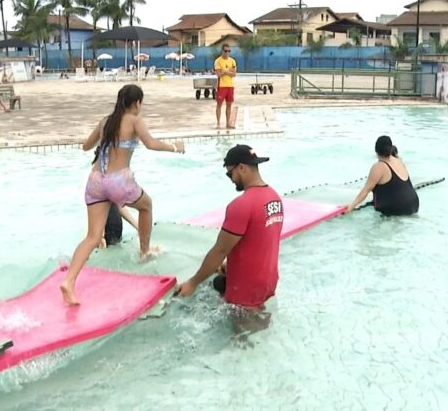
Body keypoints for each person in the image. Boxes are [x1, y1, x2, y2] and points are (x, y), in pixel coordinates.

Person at [60, 84, 186, 306]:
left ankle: (69, 282)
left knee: (92, 237)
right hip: (119, 181)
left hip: (95, 181)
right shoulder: (134, 120)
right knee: (146, 205)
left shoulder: (106, 121)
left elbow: (85, 147)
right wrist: (176, 147)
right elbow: (151, 143)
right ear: (137, 103)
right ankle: (144, 251)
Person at [177, 145, 283, 334]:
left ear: (241, 167)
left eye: (230, 173)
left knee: (241, 341)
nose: (231, 179)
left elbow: (220, 250)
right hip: (268, 281)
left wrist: (192, 283)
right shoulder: (274, 198)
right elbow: (260, 241)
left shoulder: (241, 205)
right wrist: (230, 264)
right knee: (258, 324)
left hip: (245, 288)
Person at [345, 136, 419, 216]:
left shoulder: (378, 167)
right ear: (391, 148)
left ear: (376, 151)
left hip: (397, 209)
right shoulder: (399, 160)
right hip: (414, 204)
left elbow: (366, 190)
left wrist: (351, 206)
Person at [214, 44, 237, 129]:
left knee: (229, 105)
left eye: (229, 51)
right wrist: (228, 71)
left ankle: (228, 123)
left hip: (230, 86)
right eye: (226, 51)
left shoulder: (232, 61)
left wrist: (225, 71)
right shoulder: (218, 61)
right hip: (221, 86)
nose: (227, 53)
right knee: (219, 104)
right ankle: (218, 123)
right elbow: (219, 74)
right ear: (222, 51)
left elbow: (234, 74)